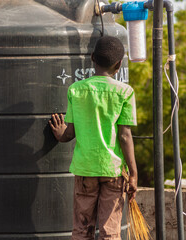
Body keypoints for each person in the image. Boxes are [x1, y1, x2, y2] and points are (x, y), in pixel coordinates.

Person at [49, 36, 138, 240]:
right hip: (113, 171)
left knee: (82, 229)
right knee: (110, 231)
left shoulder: (76, 90)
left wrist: (58, 132)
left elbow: (69, 134)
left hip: (84, 170)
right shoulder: (125, 92)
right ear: (119, 65)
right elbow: (124, 136)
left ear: (92, 58)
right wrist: (133, 173)